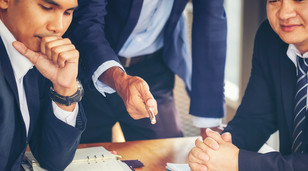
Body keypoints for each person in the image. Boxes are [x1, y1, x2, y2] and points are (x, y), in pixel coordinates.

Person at [188, 0, 308, 171]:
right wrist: (216, 149)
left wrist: (240, 166)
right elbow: (254, 120)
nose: (284, 13)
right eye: (274, 0)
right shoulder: (271, 37)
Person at [0, 0, 121, 171]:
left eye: (67, 13)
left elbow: (53, 159)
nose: (58, 26)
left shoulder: (32, 51)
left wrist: (65, 90)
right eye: (47, 7)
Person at [67, 0, 227, 143]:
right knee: (77, 157)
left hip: (154, 69)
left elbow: (211, 26)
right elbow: (87, 20)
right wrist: (119, 80)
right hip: (89, 66)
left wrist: (209, 123)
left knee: (169, 160)